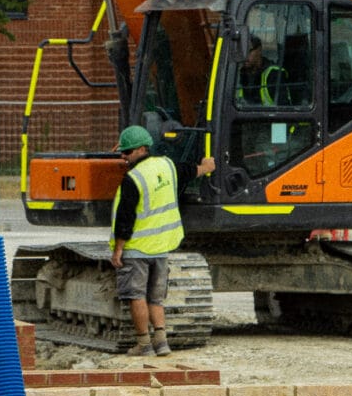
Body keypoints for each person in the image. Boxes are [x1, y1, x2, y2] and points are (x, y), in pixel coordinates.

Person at [110, 125, 214, 357]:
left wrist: (118, 250)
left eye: (126, 153)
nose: (123, 157)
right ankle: (162, 343)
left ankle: (144, 344)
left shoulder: (133, 178)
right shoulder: (167, 166)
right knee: (156, 298)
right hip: (162, 248)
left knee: (136, 296)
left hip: (137, 248)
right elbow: (188, 171)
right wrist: (206, 167)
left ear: (140, 150)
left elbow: (125, 218)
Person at [237, 36, 285, 106]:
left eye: (249, 51)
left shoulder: (274, 74)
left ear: (259, 50)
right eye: (242, 52)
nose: (245, 56)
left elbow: (284, 108)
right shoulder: (240, 74)